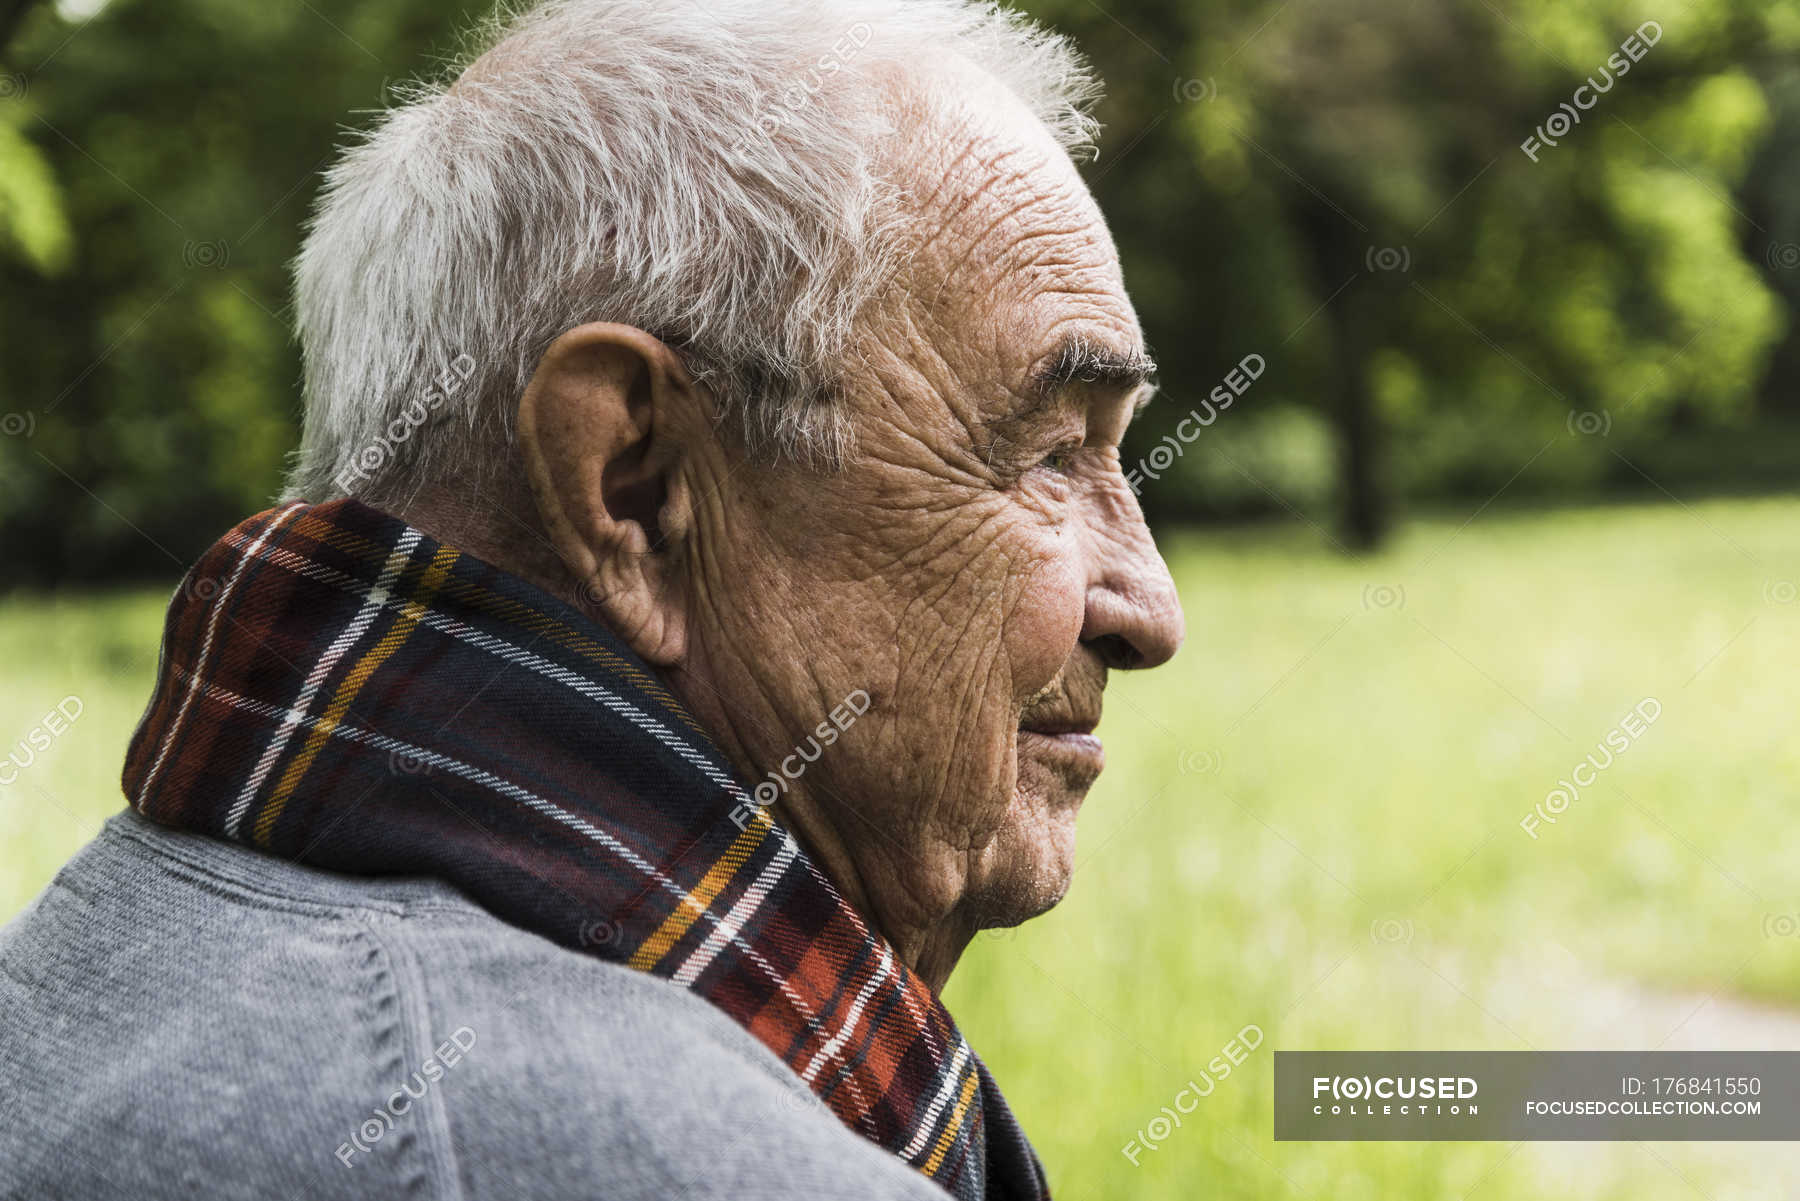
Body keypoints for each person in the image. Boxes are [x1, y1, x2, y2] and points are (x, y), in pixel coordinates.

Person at [0, 1, 1184, 1196]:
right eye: (1047, 454)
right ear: (637, 488)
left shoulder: (82, 963)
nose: (1150, 610)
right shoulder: (670, 1164)